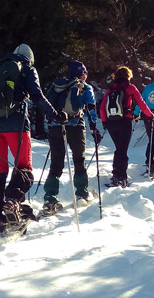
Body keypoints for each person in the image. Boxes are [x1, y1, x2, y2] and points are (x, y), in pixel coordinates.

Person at [0, 44, 65, 230]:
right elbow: (36, 95)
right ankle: (12, 202)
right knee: (23, 167)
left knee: (0, 171)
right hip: (15, 126)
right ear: (29, 58)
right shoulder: (27, 69)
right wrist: (54, 115)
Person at [42, 61, 102, 214]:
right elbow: (90, 108)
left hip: (55, 127)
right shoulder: (84, 87)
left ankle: (50, 197)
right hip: (75, 126)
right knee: (78, 159)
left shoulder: (58, 86)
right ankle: (81, 192)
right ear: (82, 72)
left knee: (56, 162)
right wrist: (94, 127)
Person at [99, 66, 153, 187]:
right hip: (124, 121)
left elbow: (102, 107)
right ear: (128, 76)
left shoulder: (111, 88)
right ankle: (121, 177)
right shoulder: (130, 87)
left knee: (119, 148)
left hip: (111, 122)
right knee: (122, 150)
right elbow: (141, 103)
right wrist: (150, 115)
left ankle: (116, 174)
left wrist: (104, 122)